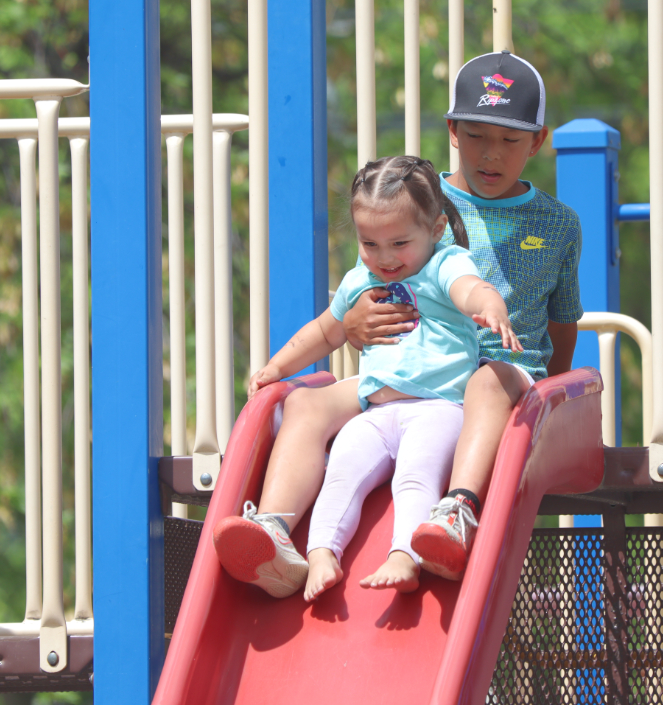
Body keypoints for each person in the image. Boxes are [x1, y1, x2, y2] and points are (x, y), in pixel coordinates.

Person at [218, 49, 581, 593]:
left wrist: (552, 392)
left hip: (499, 375)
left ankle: (457, 509)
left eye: (510, 140)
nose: (491, 154)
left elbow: (562, 319)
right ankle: (275, 527)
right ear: (454, 131)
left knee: (488, 378)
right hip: (403, 373)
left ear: (537, 141)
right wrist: (353, 323)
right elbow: (353, 302)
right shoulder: (416, 196)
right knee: (304, 401)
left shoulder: (556, 223)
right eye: (478, 135)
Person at [214, 156, 520, 599]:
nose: (385, 258)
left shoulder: (443, 263)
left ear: (434, 230)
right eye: (369, 244)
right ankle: (311, 552)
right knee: (341, 472)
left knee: (415, 476)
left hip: (438, 408)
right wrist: (277, 368)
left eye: (399, 243)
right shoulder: (361, 279)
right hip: (375, 410)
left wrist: (489, 305)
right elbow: (324, 330)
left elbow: (469, 287)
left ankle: (405, 556)